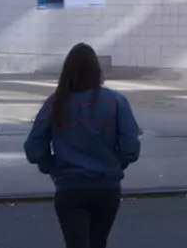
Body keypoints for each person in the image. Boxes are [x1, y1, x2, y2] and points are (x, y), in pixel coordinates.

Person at [23, 44, 140, 248]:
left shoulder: (56, 102)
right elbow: (131, 147)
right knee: (98, 242)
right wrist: (115, 164)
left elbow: (34, 145)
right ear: (97, 70)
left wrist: (50, 166)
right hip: (106, 186)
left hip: (70, 185)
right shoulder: (116, 101)